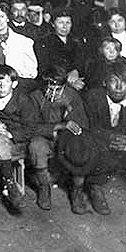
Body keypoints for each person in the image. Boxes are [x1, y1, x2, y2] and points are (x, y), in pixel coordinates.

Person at [63, 63, 126, 218]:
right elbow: (88, 125)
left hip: (125, 142)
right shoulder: (93, 97)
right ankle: (95, 186)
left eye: (125, 83)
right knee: (88, 146)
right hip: (102, 139)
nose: (119, 87)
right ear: (105, 82)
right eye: (114, 81)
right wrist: (110, 137)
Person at [0, 65, 39, 212]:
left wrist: (10, 134)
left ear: (14, 84)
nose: (2, 85)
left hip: (16, 142)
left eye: (6, 81)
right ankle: (10, 185)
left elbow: (31, 127)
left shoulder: (23, 100)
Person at [29, 66, 89, 210]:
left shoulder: (72, 96)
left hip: (66, 139)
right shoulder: (35, 97)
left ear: (64, 86)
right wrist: (58, 126)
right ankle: (44, 188)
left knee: (80, 147)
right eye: (49, 88)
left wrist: (70, 116)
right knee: (36, 147)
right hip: (44, 137)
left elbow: (83, 125)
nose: (53, 93)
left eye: (58, 89)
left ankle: (76, 191)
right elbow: (30, 127)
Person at [35, 10, 86, 91]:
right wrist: (66, 79)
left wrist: (76, 70)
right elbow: (44, 69)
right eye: (60, 23)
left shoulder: (77, 41)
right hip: (54, 85)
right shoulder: (44, 42)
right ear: (53, 24)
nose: (64, 27)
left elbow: (83, 62)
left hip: (78, 81)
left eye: (68, 23)